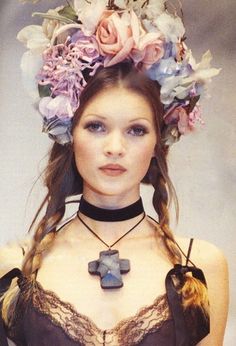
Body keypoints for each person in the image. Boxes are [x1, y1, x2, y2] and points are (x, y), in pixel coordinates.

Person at [0, 1, 228, 345]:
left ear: (157, 142)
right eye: (96, 127)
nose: (115, 147)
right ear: (69, 134)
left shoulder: (201, 267)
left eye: (136, 130)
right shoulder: (16, 267)